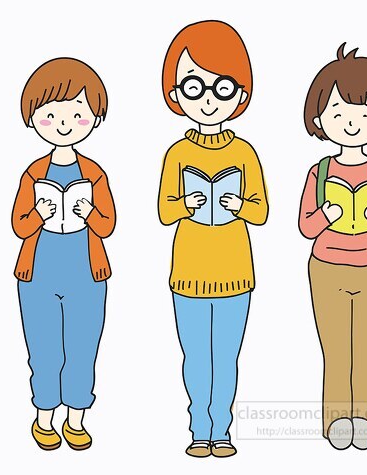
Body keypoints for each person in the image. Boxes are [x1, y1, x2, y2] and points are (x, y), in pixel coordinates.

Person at [158, 20, 268, 458]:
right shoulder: (177, 153)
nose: (206, 99)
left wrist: (237, 204)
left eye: (221, 88)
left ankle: (221, 428)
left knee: (226, 358)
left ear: (240, 95)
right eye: (193, 86)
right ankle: (197, 427)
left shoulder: (244, 153)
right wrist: (189, 202)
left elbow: (261, 211)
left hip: (235, 273)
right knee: (194, 358)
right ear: (175, 94)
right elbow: (165, 210)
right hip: (187, 272)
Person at [299, 44, 367, 450]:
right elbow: (305, 226)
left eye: (363, 114)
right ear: (320, 119)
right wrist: (328, 212)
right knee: (336, 351)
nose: (351, 123)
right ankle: (335, 423)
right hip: (326, 267)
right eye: (339, 114)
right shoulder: (320, 171)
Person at [12, 57, 115, 450]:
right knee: (43, 348)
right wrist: (39, 213)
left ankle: (76, 418)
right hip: (37, 273)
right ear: (35, 117)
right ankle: (44, 415)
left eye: (77, 113)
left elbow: (107, 225)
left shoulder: (95, 173)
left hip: (87, 274)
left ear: (92, 117)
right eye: (51, 114)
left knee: (82, 347)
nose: (65, 123)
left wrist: (88, 211)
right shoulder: (33, 173)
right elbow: (19, 225)